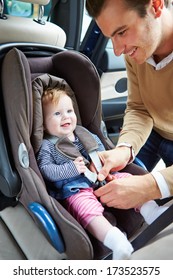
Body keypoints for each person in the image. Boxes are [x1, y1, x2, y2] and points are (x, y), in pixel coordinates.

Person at [36, 85, 168, 260]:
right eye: (57, 114)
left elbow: (100, 150)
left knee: (128, 179)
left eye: (69, 110)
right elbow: (46, 171)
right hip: (75, 188)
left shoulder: (83, 133)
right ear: (44, 124)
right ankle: (116, 240)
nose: (66, 116)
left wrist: (104, 167)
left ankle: (152, 211)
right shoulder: (47, 146)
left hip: (102, 177)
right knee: (84, 208)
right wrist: (72, 169)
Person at [85, 0, 173, 211]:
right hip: (153, 132)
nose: (117, 50)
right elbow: (139, 107)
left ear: (156, 6)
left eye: (122, 32)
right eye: (111, 38)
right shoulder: (138, 49)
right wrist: (124, 149)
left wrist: (149, 186)